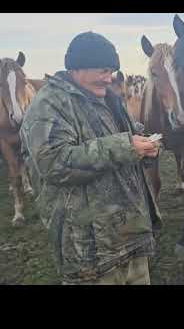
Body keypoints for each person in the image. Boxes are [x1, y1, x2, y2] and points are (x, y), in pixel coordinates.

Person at [20, 31, 162, 285]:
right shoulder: (50, 104)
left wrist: (145, 146)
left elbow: (127, 138)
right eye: (103, 70)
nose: (109, 79)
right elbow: (53, 163)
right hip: (90, 252)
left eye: (112, 72)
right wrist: (125, 146)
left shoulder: (110, 99)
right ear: (77, 67)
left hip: (131, 239)